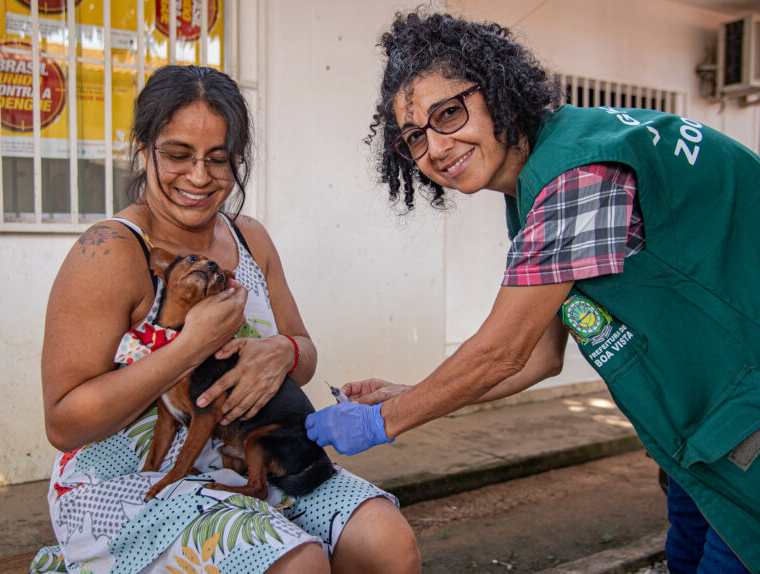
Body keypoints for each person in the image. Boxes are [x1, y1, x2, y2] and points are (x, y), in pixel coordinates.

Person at [304, 11, 760, 574]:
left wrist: (386, 420)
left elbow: (504, 350)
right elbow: (541, 356)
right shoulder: (538, 183)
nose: (437, 148)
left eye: (449, 113)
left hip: (745, 419)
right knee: (685, 556)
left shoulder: (577, 174)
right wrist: (411, 390)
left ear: (497, 90)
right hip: (706, 436)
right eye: (414, 138)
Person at [31, 65, 420, 574]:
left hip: (244, 457)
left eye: (219, 159)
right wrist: (191, 346)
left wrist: (285, 351)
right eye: (177, 155)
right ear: (143, 148)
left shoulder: (249, 239)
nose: (198, 177)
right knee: (295, 564)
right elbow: (64, 422)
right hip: (128, 482)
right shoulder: (109, 253)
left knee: (387, 540)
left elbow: (302, 353)